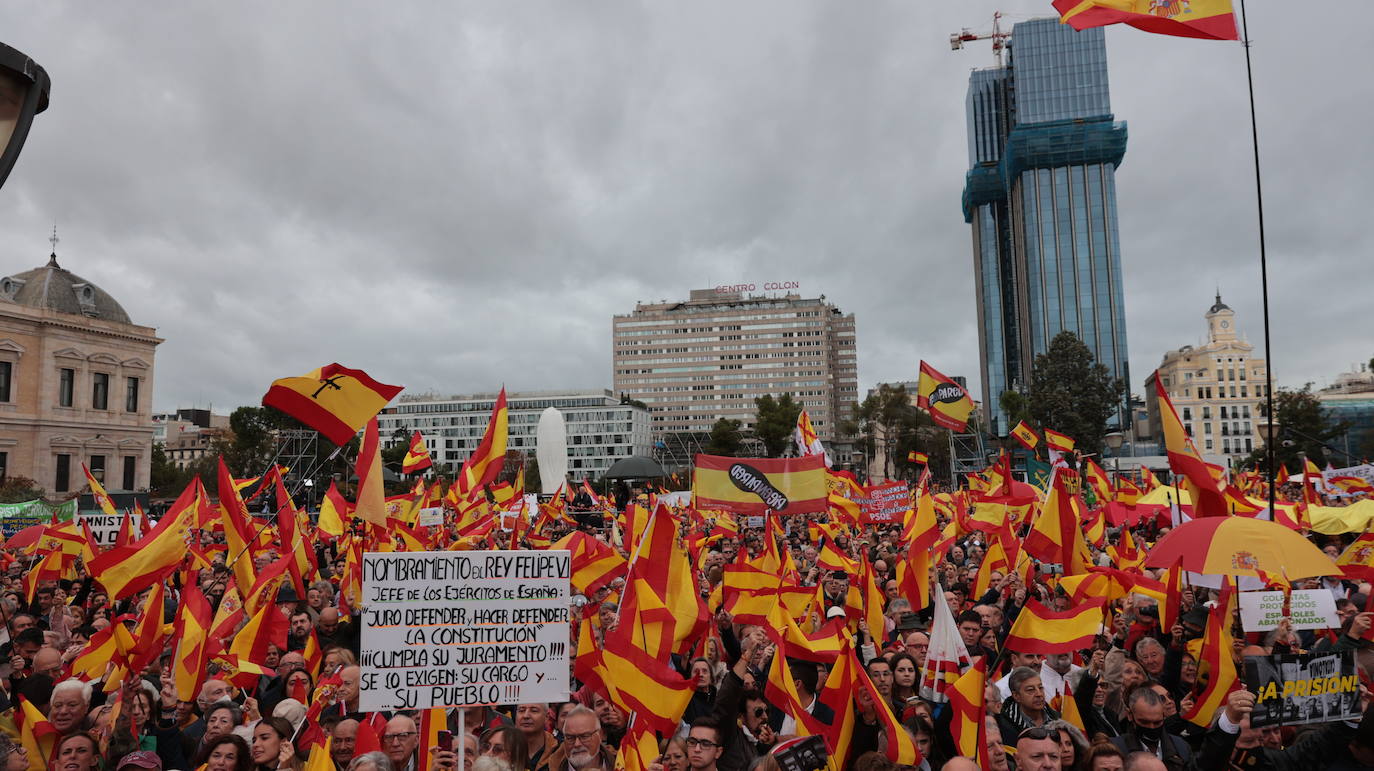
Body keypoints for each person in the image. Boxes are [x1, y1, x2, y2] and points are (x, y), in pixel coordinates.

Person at [1108, 687, 1196, 771]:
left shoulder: (1181, 748)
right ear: (1130, 715)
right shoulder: (1115, 749)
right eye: (1144, 722)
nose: (1151, 727)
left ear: (1163, 715)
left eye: (1157, 722)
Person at [540, 706, 615, 771]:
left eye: (585, 736)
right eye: (570, 738)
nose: (577, 744)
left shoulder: (622, 764)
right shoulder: (549, 767)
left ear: (599, 735)